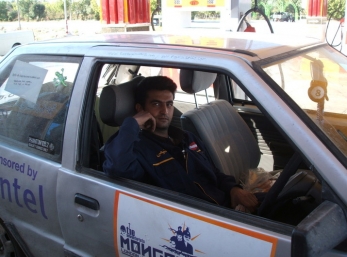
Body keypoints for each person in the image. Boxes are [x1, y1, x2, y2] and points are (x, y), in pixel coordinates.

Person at [103, 76, 258, 212]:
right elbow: (117, 167)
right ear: (140, 109)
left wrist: (233, 189)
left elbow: (214, 172)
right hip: (199, 220)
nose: (165, 111)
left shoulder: (187, 138)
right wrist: (133, 123)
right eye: (156, 104)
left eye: (169, 104)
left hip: (227, 207)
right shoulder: (137, 148)